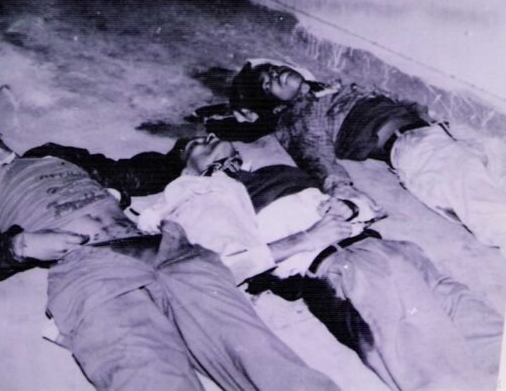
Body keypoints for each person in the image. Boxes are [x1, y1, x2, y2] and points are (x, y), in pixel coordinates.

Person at [0, 120, 339, 391]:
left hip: (169, 249)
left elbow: (133, 171)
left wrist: (188, 154)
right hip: (89, 269)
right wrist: (21, 246)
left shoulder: (54, 154)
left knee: (262, 355)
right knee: (145, 373)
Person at [138, 134, 504, 391]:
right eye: (194, 144)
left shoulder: (270, 171)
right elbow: (221, 267)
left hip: (396, 250)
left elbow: (367, 206)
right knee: (434, 369)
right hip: (342, 269)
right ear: (184, 169)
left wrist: (347, 207)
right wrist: (308, 238)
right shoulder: (198, 192)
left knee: (492, 338)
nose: (206, 137)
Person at [205, 58, 506, 253]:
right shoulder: (299, 117)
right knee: (491, 214)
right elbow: (316, 158)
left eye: (272, 70)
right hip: (419, 150)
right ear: (275, 105)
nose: (275, 74)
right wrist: (346, 196)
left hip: (449, 134)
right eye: (267, 84)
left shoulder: (328, 89)